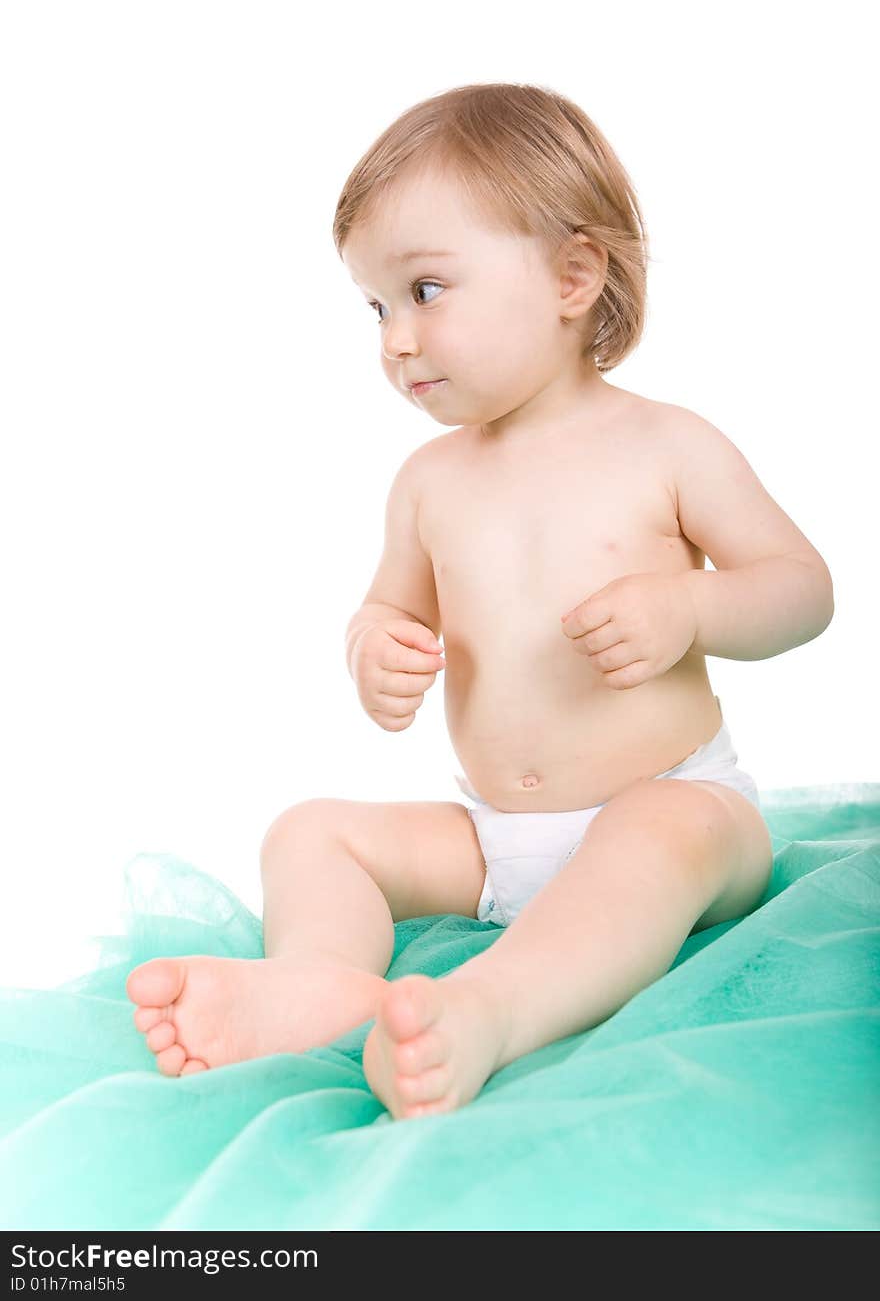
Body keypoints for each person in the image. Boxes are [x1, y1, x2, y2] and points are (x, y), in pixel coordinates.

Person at [126, 82, 834, 1119]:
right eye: (374, 307)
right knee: (309, 830)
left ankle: (490, 1010)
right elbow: (388, 609)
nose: (394, 341)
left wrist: (691, 609)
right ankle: (327, 978)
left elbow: (801, 591)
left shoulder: (666, 445)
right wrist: (376, 650)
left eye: (424, 291)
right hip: (497, 834)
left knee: (650, 837)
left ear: (572, 274)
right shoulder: (429, 482)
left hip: (682, 805)